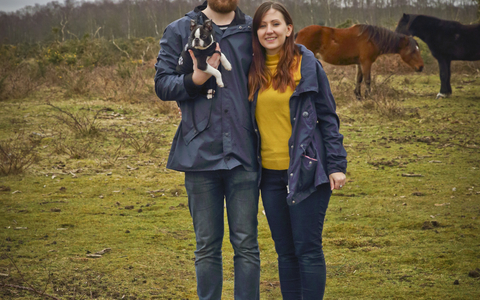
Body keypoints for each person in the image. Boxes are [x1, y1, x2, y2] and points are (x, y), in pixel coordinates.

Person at [154, 1, 260, 299]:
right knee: (207, 246)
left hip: (244, 151)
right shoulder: (178, 30)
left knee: (247, 244)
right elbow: (162, 84)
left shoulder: (254, 30)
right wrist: (195, 80)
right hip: (199, 152)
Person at [248, 2, 347, 299]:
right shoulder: (250, 68)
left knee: (307, 248)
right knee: (285, 252)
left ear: (289, 29)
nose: (269, 31)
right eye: (263, 25)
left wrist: (336, 164)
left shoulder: (307, 64)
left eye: (276, 24)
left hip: (307, 169)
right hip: (270, 176)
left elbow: (328, 116)